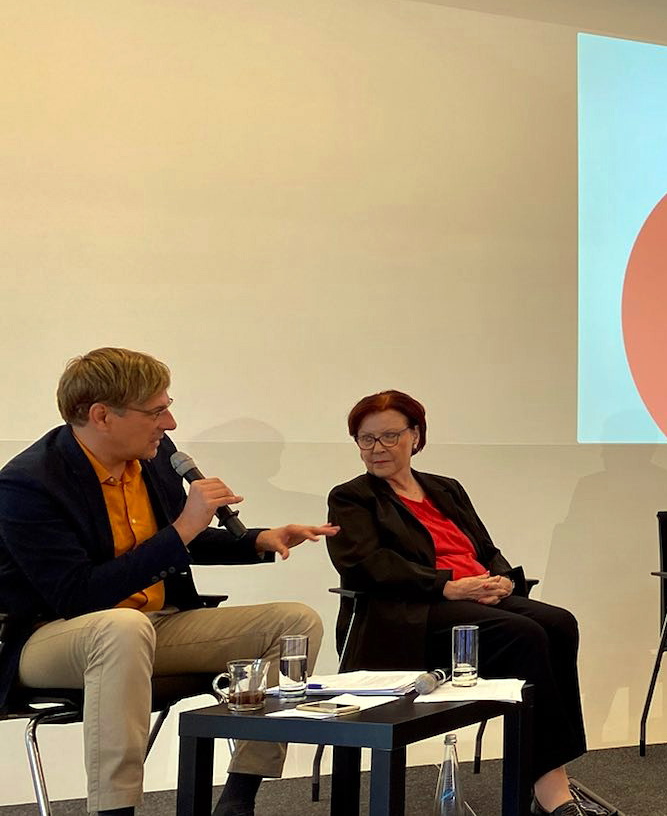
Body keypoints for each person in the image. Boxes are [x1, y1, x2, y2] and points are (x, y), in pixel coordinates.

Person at [0, 347, 333, 816]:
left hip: (152, 624)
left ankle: (239, 797)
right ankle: (116, 810)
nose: (171, 423)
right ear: (101, 415)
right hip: (51, 636)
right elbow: (77, 594)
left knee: (294, 622)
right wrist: (184, 527)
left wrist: (258, 539)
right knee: (120, 626)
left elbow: (178, 543)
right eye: (156, 411)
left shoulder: (155, 458)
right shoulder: (28, 484)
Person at [325, 390, 586, 816]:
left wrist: (500, 579)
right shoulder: (353, 497)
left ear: (415, 436)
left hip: (472, 600)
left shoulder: (446, 488)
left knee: (559, 623)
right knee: (524, 633)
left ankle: (549, 771)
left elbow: (484, 547)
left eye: (390, 436)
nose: (378, 448)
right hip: (409, 617)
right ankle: (548, 785)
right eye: (366, 439)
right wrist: (446, 586)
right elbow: (363, 566)